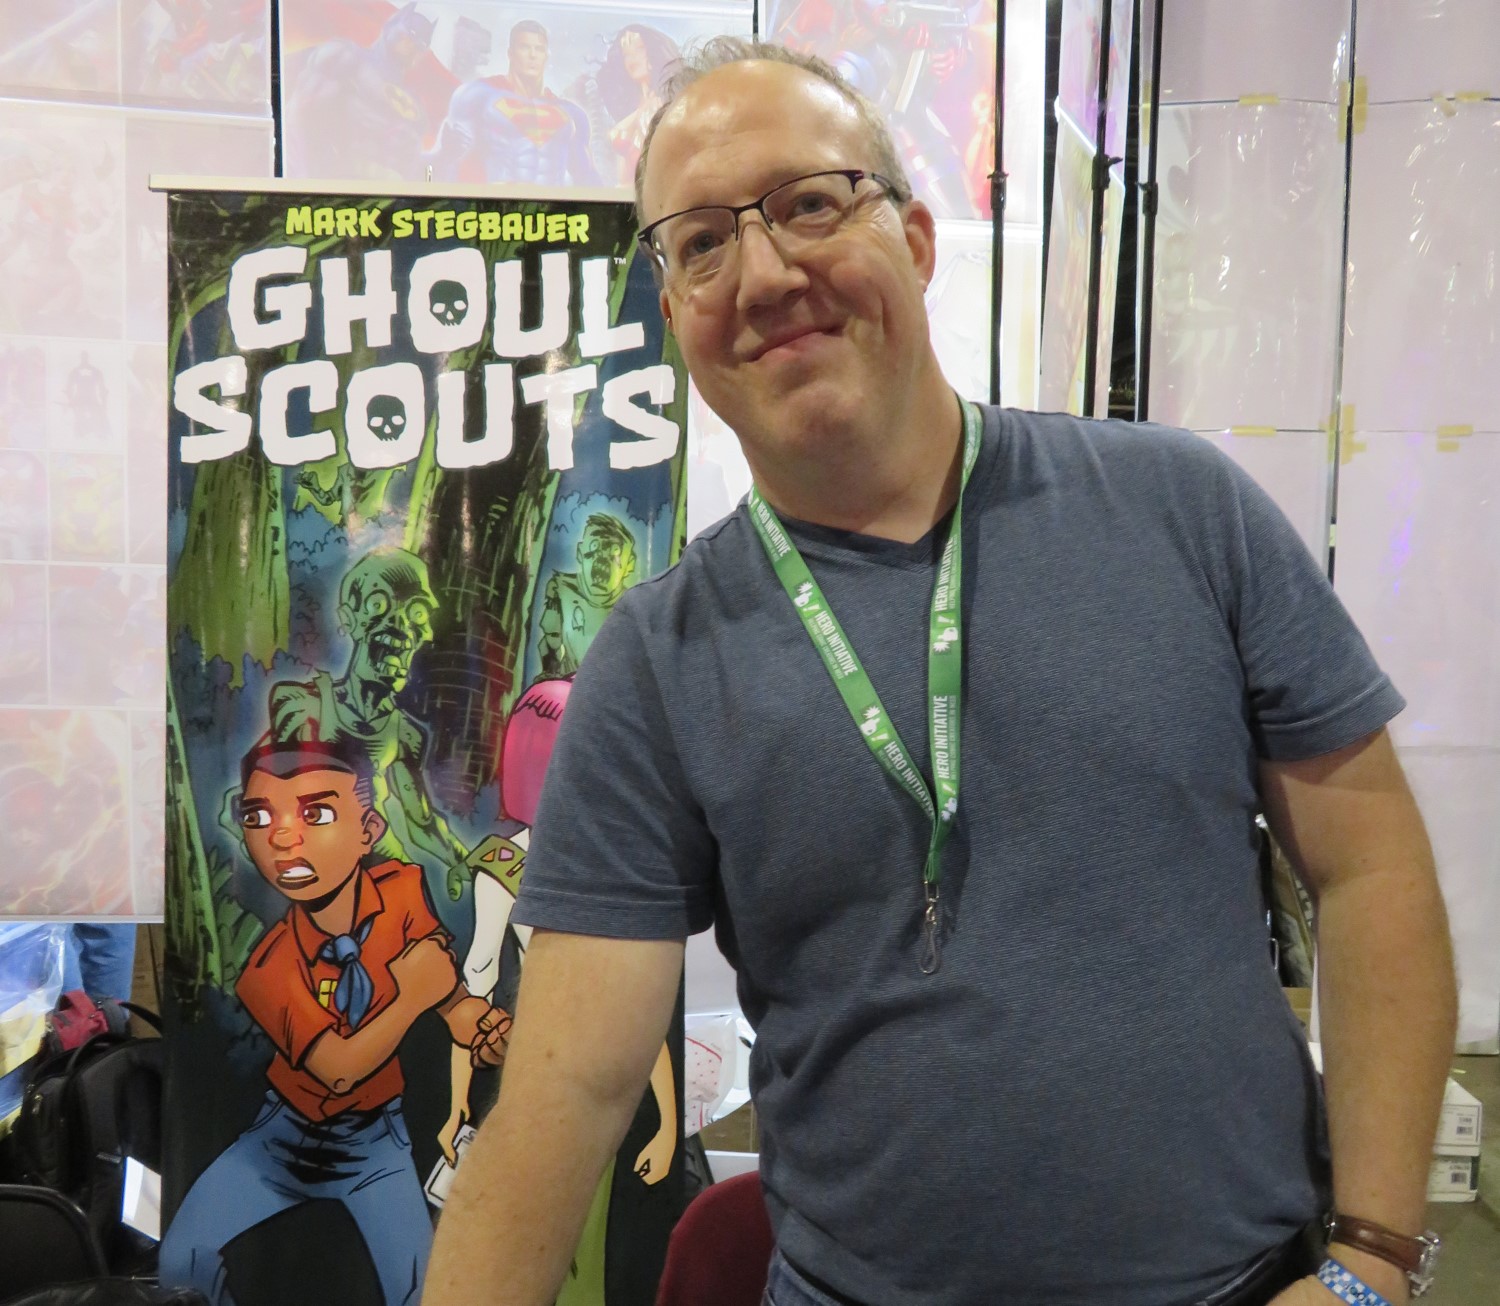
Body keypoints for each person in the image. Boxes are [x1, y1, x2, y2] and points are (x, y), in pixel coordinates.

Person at [423, 38, 1456, 1306]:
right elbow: (566, 1092)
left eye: (809, 203)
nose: (765, 273)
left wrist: (1372, 1258)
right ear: (676, 312)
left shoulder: (1182, 512)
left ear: (914, 239)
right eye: (701, 243)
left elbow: (1370, 868)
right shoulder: (656, 664)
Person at [161, 740, 509, 1306]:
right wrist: (411, 999)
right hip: (280, 1142)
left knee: (424, 1289)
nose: (281, 837)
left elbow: (451, 1002)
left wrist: (487, 1032)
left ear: (368, 830)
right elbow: (339, 1071)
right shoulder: (268, 969)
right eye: (259, 818)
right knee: (183, 1258)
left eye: (316, 813)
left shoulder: (402, 891)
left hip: (375, 1145)